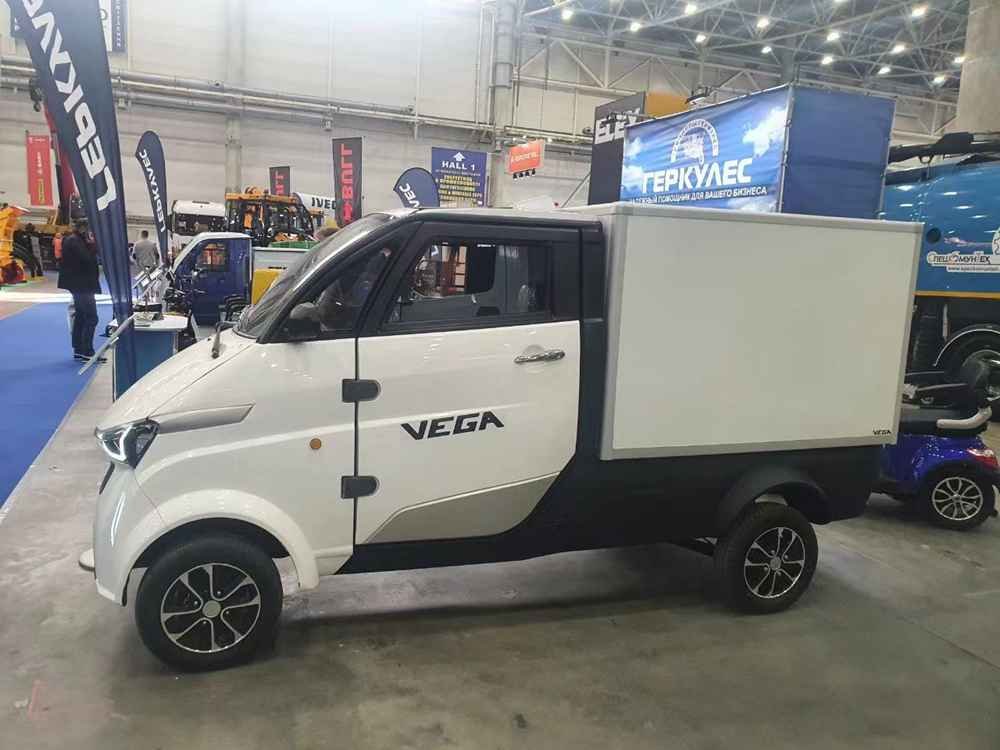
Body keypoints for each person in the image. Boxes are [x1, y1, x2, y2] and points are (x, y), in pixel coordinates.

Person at [58, 219, 102, 362]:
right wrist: (94, 245)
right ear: (84, 229)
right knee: (91, 317)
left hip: (79, 284)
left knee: (81, 316)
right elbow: (86, 259)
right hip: (82, 284)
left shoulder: (74, 240)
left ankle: (79, 349)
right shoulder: (74, 241)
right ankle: (87, 351)